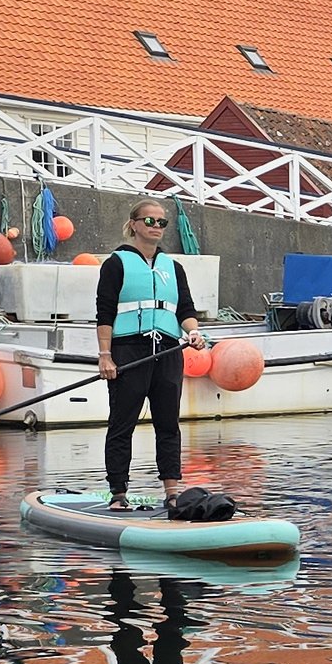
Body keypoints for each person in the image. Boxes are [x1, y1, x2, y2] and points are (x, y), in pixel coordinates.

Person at [93, 198, 208, 511]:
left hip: (168, 351)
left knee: (168, 424)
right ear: (134, 224)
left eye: (162, 222)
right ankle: (118, 493)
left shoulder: (174, 267)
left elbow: (185, 308)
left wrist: (193, 331)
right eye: (150, 221)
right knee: (122, 423)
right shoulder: (116, 264)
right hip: (129, 350)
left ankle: (172, 491)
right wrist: (106, 355)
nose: (156, 227)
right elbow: (104, 313)